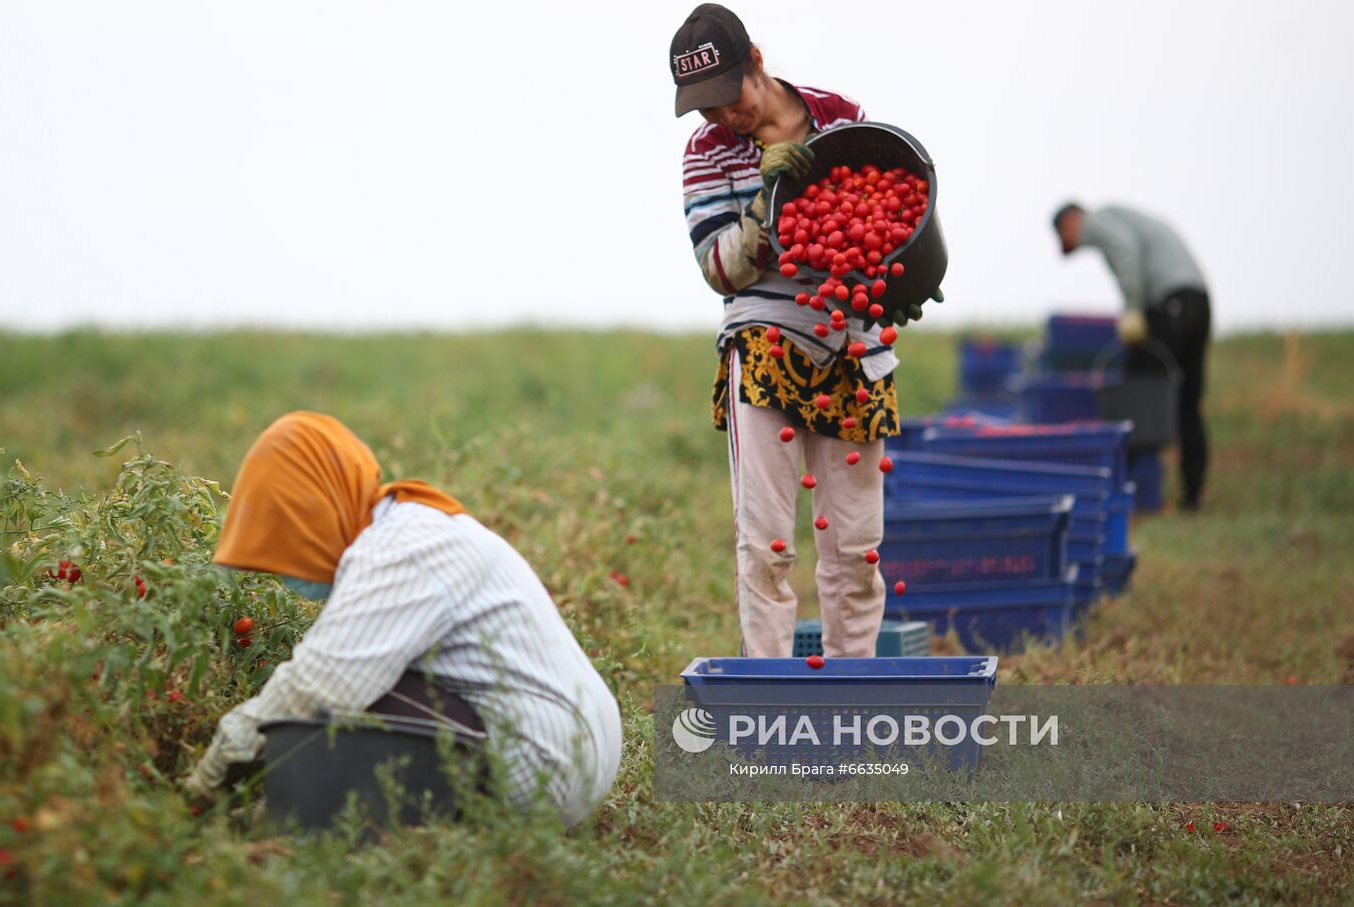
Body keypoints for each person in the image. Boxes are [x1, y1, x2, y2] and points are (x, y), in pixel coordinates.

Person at [182, 411, 623, 828]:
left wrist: (226, 753)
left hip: (543, 768)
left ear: (316, 513)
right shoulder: (412, 527)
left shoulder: (402, 548)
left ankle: (307, 831)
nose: (286, 572)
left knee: (348, 704)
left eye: (289, 539)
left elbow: (321, 683)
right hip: (572, 757)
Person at [672, 3, 896, 658]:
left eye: (726, 96)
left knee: (856, 545)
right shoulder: (706, 154)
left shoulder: (842, 116)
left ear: (757, 62)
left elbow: (877, 214)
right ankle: (769, 696)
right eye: (704, 105)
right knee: (766, 543)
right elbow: (719, 268)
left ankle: (853, 699)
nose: (721, 116)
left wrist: (900, 273)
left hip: (853, 340)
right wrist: (765, 214)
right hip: (765, 338)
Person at [1053, 202, 1212, 511]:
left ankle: (1123, 490)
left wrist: (1132, 308)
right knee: (1189, 400)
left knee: (1136, 391)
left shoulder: (1096, 221)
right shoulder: (1124, 217)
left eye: (1065, 235)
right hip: (1199, 300)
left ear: (1071, 221)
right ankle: (1192, 497)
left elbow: (1125, 250)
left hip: (1170, 300)